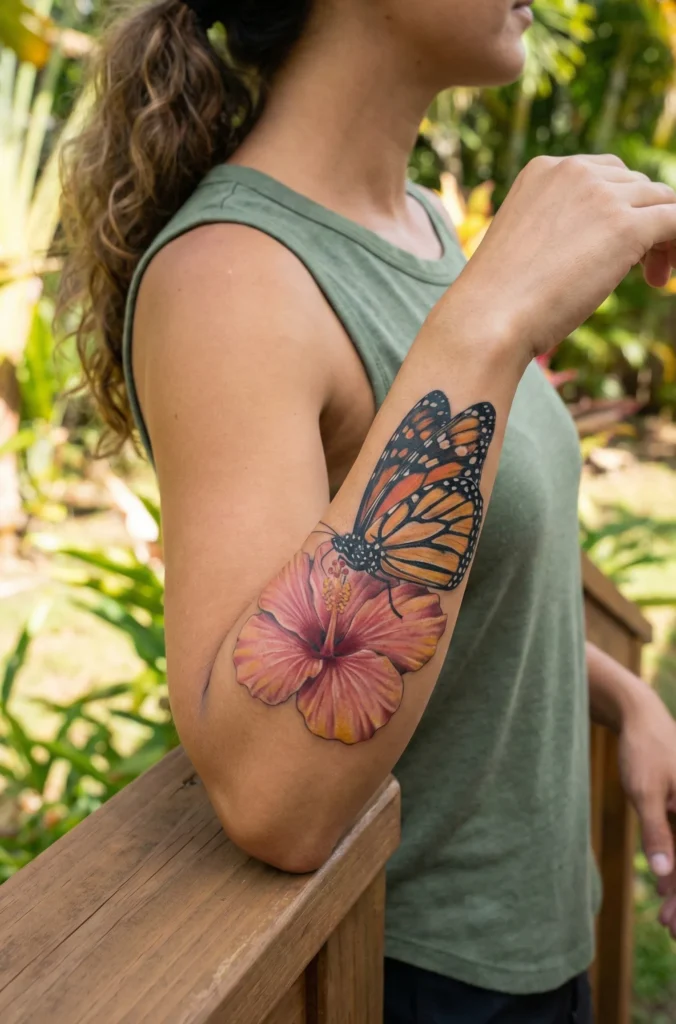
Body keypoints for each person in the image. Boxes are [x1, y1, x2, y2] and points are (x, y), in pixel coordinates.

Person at [59, 1, 676, 1020]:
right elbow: (272, 797)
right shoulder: (231, 277)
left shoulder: (427, 222)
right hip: (404, 976)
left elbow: (471, 574)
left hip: (536, 946)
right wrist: (487, 320)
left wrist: (624, 697)